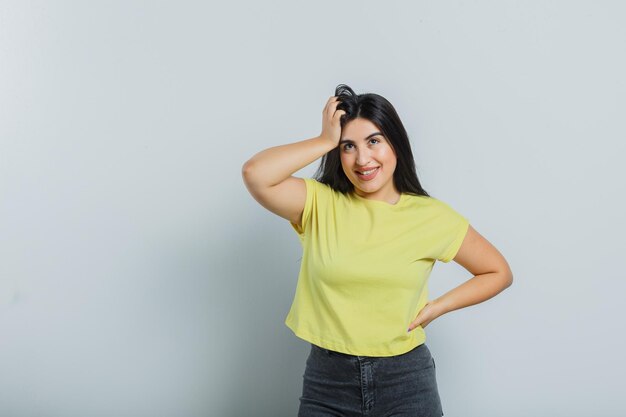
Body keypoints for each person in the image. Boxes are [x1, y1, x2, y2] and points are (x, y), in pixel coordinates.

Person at [241, 84, 513, 417]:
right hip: (328, 382)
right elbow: (256, 173)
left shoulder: (431, 216)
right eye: (348, 146)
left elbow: (498, 271)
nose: (362, 159)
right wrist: (324, 139)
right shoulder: (319, 203)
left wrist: (438, 307)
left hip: (407, 381)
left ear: (395, 143)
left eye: (374, 141)